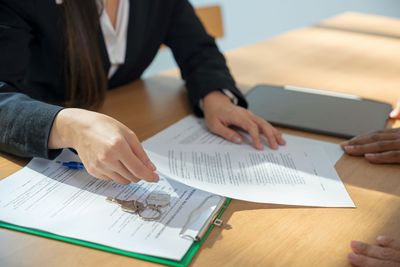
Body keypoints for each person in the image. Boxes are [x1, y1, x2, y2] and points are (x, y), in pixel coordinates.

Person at [0, 0, 285, 185]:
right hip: (29, 153)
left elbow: (198, 49)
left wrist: (216, 97)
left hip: (129, 128)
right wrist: (69, 126)